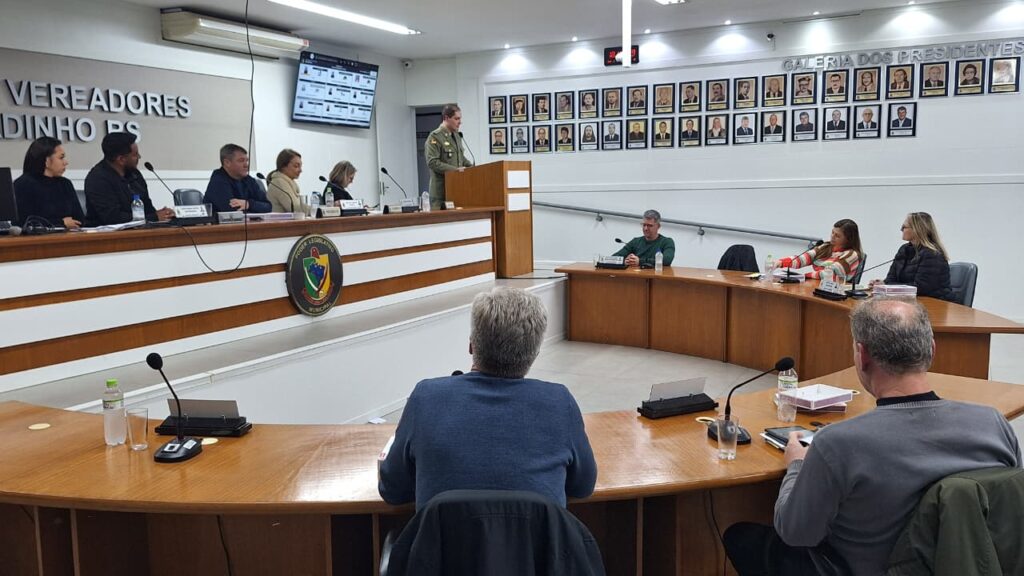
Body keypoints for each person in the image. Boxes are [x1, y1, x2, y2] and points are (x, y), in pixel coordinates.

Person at [723, 299, 1020, 576]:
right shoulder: (993, 423)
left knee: (741, 537)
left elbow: (796, 533)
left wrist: (796, 466)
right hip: (963, 563)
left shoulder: (838, 444)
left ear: (862, 356)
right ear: (931, 349)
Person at [378, 287, 597, 510]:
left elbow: (393, 490)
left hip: (444, 535)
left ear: (471, 345)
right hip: (537, 535)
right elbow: (583, 486)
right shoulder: (559, 402)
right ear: (535, 353)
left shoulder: (426, 397)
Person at [84, 132, 174, 226]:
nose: (139, 157)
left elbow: (147, 208)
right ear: (121, 159)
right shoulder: (97, 179)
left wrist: (164, 215)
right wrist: (153, 217)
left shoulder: (135, 174)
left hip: (139, 230)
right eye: (135, 154)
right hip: (107, 233)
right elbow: (112, 217)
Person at [871, 212, 953, 300]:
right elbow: (890, 279)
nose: (901, 230)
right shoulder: (904, 249)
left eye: (904, 227)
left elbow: (920, 288)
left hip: (936, 302)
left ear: (917, 229)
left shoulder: (932, 254)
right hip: (910, 300)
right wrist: (882, 284)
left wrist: (887, 286)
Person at [13, 137, 85, 229]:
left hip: (71, 235)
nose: (66, 162)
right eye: (61, 158)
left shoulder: (65, 184)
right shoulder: (23, 185)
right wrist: (60, 223)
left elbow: (80, 220)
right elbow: (24, 222)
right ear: (46, 161)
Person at [777, 219, 862, 280]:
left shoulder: (852, 255)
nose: (832, 236)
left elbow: (828, 274)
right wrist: (780, 262)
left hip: (835, 292)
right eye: (832, 232)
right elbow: (803, 258)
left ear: (848, 239)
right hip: (817, 285)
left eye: (837, 235)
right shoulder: (826, 246)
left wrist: (804, 276)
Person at [425, 103, 473, 210]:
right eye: (456, 119)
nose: (460, 122)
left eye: (460, 118)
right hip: (441, 194)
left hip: (456, 191)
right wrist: (456, 170)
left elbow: (461, 158)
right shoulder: (435, 137)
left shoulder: (457, 135)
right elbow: (432, 162)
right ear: (446, 118)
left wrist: (473, 168)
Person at [203, 143, 273, 214]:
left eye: (247, 161)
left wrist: (248, 204)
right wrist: (255, 206)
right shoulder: (218, 180)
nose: (246, 165)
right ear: (227, 163)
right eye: (241, 161)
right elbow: (232, 210)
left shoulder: (249, 180)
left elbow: (268, 206)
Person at [266, 149, 308, 214]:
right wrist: (318, 210)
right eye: (296, 166)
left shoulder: (287, 182)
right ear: (283, 166)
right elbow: (295, 208)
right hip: (280, 220)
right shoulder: (279, 182)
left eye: (300, 166)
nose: (300, 170)